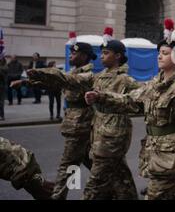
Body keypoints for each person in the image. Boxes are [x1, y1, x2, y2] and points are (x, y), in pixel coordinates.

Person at [85, 21, 175, 200]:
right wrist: (101, 97)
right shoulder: (155, 84)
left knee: (156, 195)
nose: (159, 56)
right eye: (159, 53)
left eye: (165, 53)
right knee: (169, 195)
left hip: (169, 154)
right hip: (153, 150)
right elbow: (132, 100)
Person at [28, 36, 139, 199]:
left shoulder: (126, 80)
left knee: (93, 184)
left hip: (114, 137)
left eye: (106, 53)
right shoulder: (98, 77)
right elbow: (69, 80)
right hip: (98, 135)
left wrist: (107, 99)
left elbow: (139, 101)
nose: (101, 56)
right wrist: (36, 78)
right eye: (101, 53)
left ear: (118, 56)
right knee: (120, 175)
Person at [18, 40, 97, 199]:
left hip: (79, 126)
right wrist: (26, 83)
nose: (71, 55)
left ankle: (58, 196)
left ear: (84, 56)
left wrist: (39, 72)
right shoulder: (74, 72)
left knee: (68, 164)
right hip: (77, 124)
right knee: (90, 162)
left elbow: (63, 79)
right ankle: (112, 187)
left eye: (75, 53)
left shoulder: (87, 75)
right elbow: (55, 85)